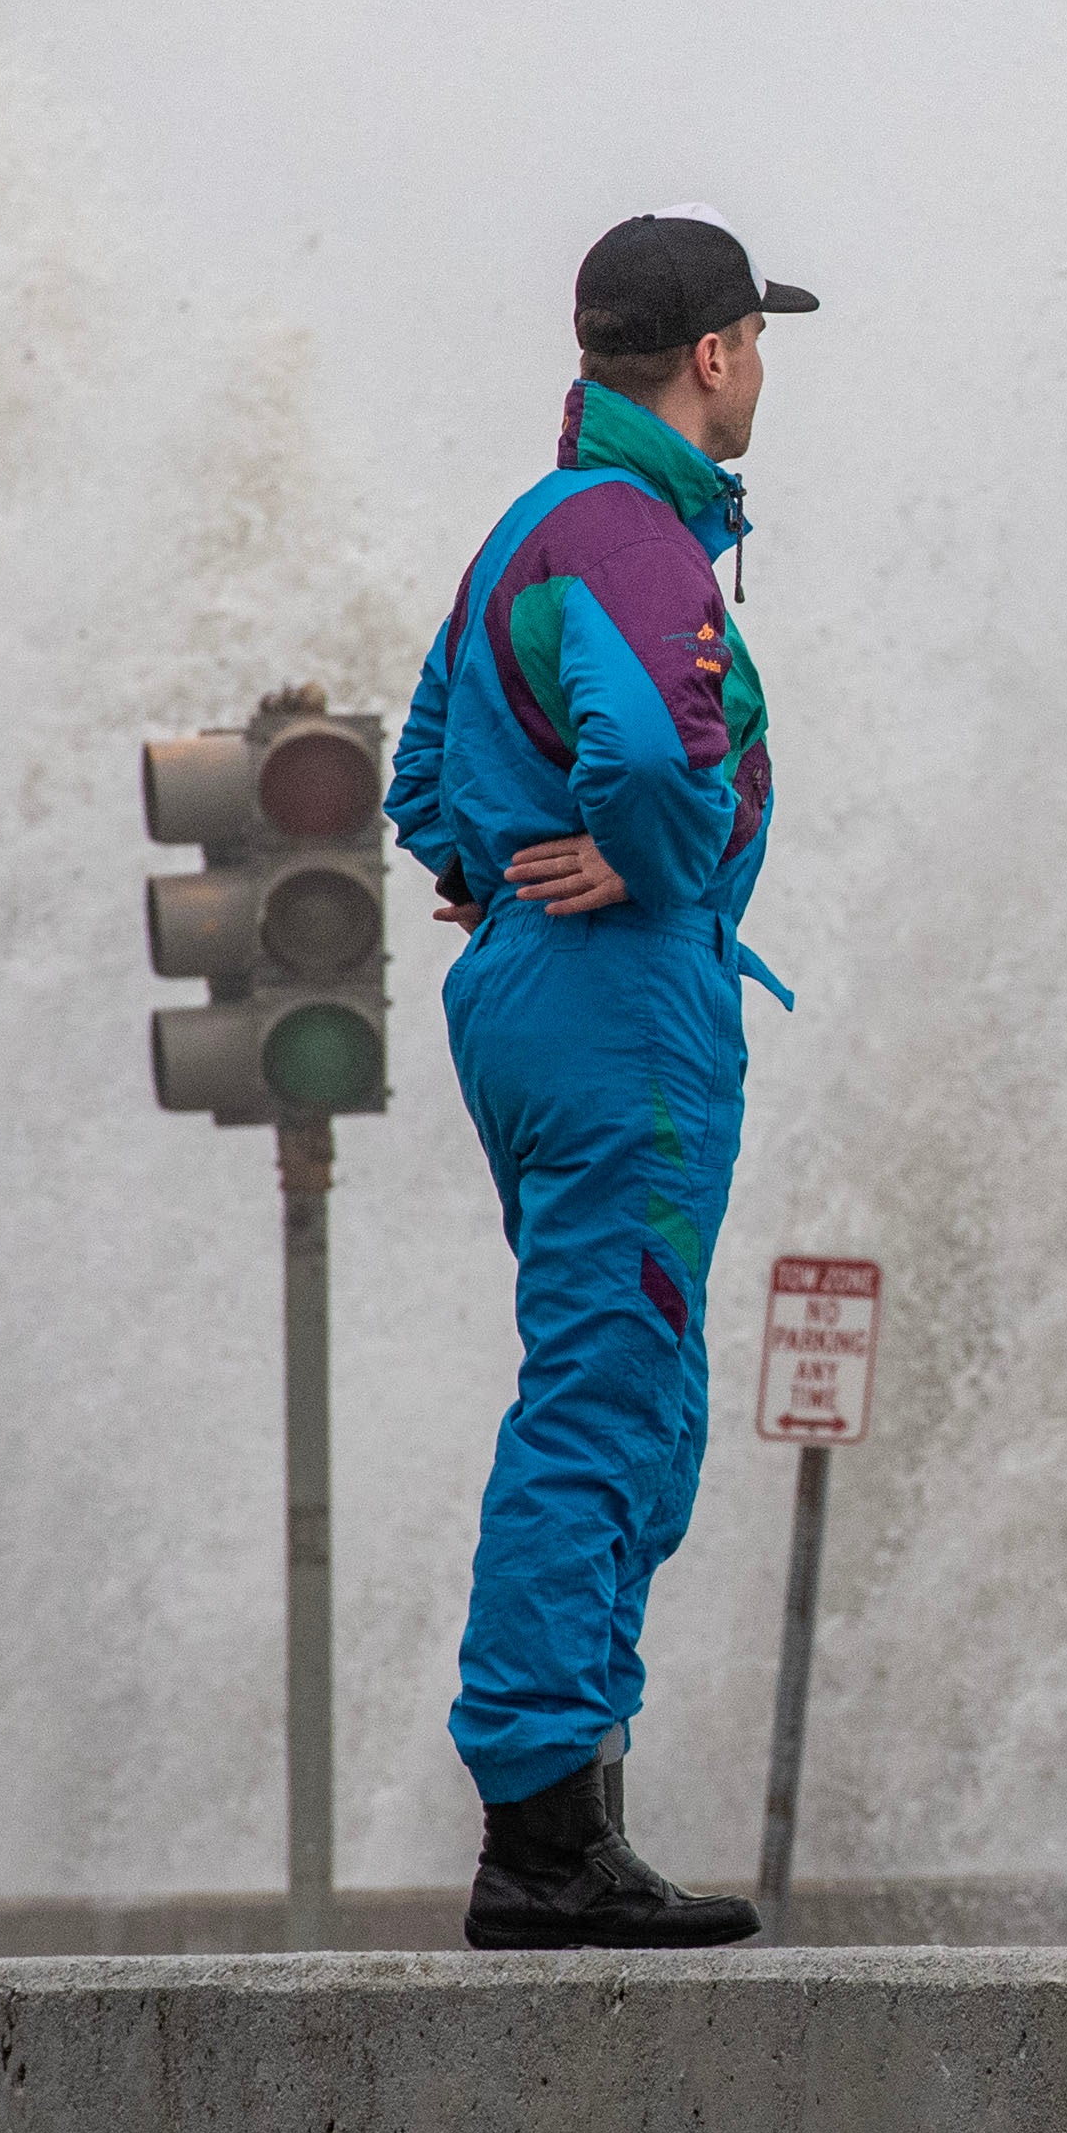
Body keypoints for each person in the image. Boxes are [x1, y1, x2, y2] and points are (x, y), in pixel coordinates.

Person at [386, 206, 816, 1949]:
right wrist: (644, 860)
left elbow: (421, 757)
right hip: (622, 1002)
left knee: (622, 1380)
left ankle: (574, 1811)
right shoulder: (636, 535)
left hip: (535, 1000)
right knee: (605, 1395)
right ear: (711, 357)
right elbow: (647, 750)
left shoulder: (530, 529)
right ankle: (548, 1841)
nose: (766, 366)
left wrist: (490, 862)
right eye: (758, 340)